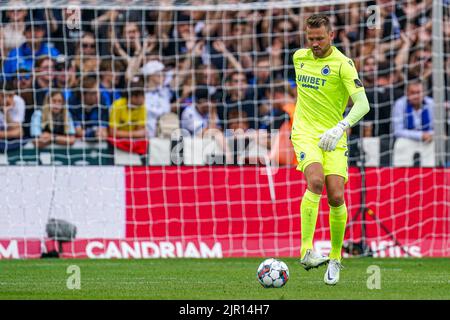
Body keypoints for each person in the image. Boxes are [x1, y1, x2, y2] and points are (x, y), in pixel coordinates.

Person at [290, 14, 370, 285]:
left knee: (336, 196)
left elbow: (362, 104)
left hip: (334, 136)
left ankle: (335, 258)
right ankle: (307, 250)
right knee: (315, 180)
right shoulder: (298, 58)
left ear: (331, 36)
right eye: (310, 38)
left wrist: (340, 128)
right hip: (305, 133)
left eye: (319, 39)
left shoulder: (343, 65)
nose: (314, 44)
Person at [0, 81, 25, 152]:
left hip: (9, 134)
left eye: (10, 96)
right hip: (8, 133)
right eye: (3, 96)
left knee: (20, 131)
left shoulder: (19, 101)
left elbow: (18, 130)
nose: (7, 99)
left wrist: (6, 113)